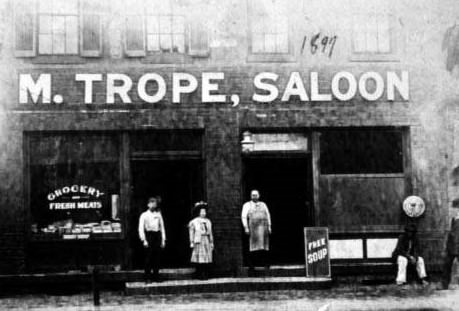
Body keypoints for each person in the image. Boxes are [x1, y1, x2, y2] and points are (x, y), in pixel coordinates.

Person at [241, 189, 271, 276]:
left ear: (259, 195)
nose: (254, 196)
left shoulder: (263, 204)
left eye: (256, 195)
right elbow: (243, 216)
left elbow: (268, 215)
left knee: (265, 247)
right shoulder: (247, 205)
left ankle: (266, 264)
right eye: (253, 195)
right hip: (253, 229)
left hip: (264, 228)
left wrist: (269, 226)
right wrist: (246, 227)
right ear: (251, 196)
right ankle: (251, 266)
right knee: (252, 248)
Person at [138, 197, 166, 282]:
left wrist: (163, 239)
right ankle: (147, 277)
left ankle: (156, 276)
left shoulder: (158, 215)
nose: (153, 205)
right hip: (149, 235)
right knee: (148, 257)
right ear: (148, 204)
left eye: (154, 203)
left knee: (157, 257)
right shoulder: (144, 215)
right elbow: (141, 228)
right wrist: (144, 240)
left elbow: (162, 227)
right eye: (151, 203)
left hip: (157, 235)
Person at [188, 201, 214, 280]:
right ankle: (199, 274)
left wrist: (211, 242)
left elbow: (210, 233)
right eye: (202, 212)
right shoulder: (194, 222)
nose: (203, 213)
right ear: (198, 212)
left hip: (206, 239)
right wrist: (192, 242)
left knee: (206, 257)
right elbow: (191, 232)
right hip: (198, 240)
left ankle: (205, 274)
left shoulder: (208, 221)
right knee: (200, 257)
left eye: (204, 212)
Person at [440, 206, 459, 289]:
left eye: (454, 208)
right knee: (447, 265)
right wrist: (446, 247)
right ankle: (444, 285)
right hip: (451, 247)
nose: (452, 210)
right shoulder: (453, 219)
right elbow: (449, 234)